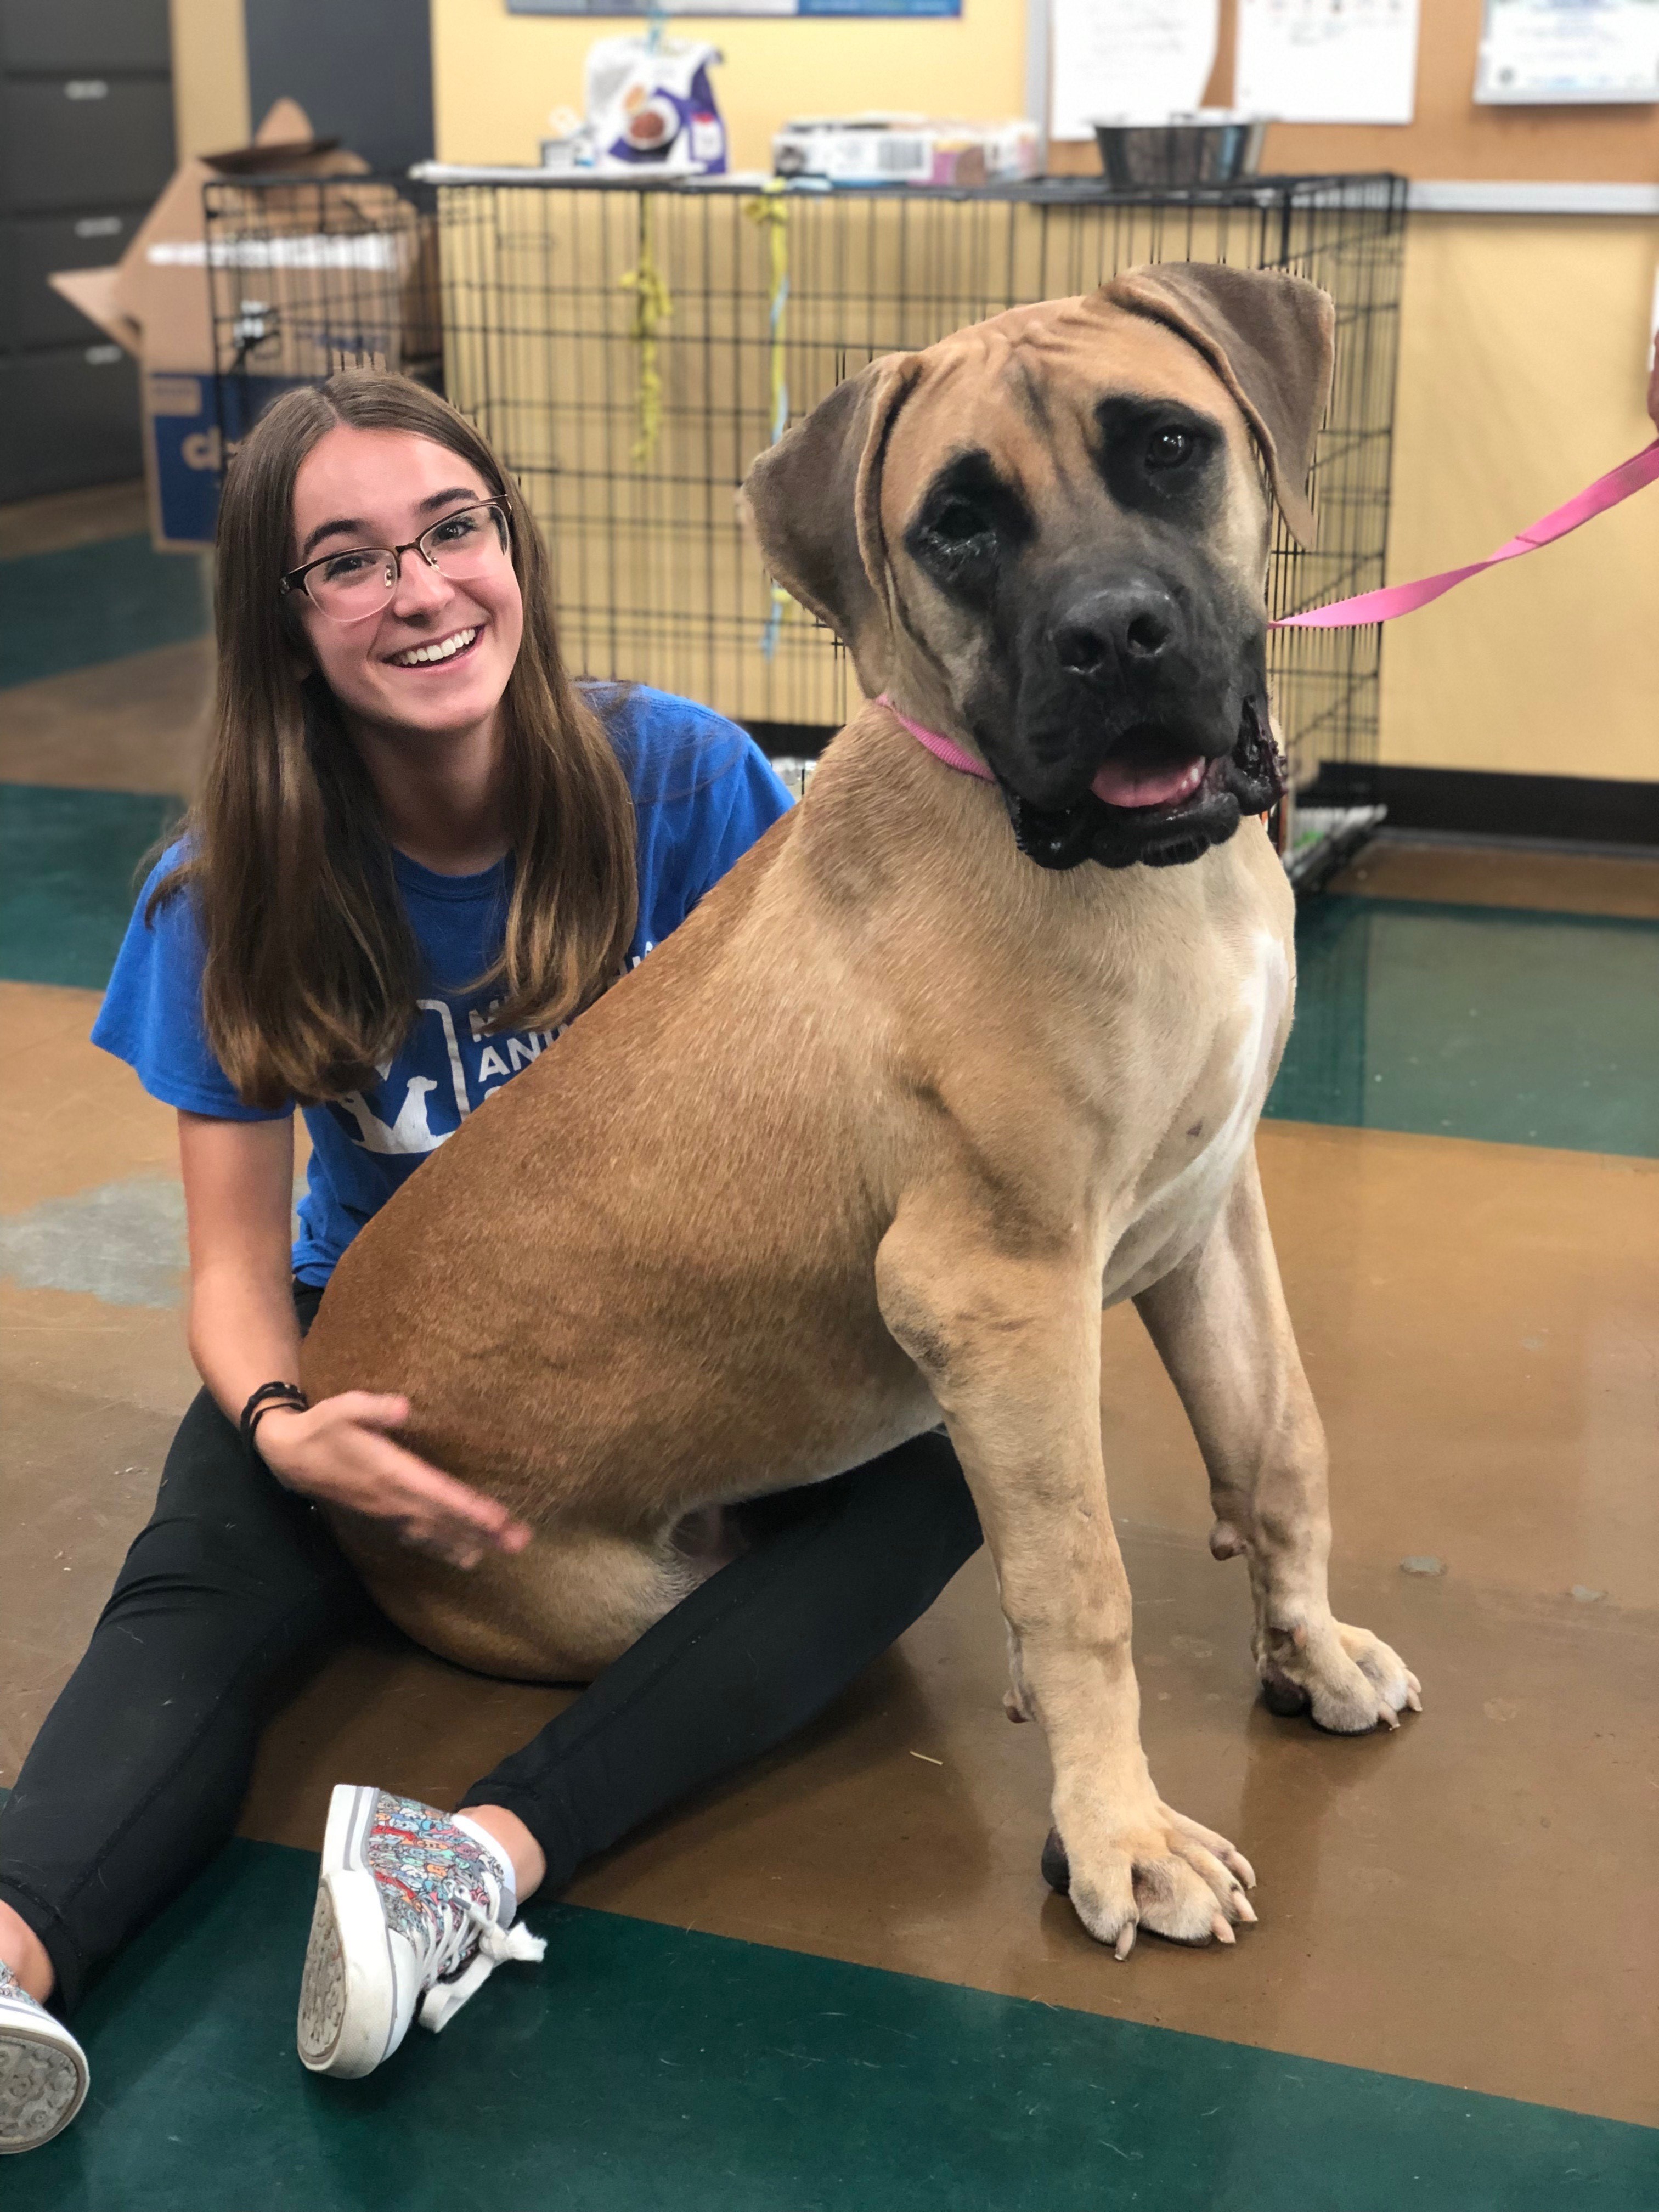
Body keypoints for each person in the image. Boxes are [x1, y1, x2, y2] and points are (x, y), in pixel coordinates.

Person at [0, 371, 980, 2154]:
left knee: (932, 1488)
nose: (423, 589)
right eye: (349, 562)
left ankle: (474, 1860)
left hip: (675, 1347)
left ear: (511, 549)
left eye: (454, 531)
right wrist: (285, 1420)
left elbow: (838, 1106)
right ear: (285, 624)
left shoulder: (675, 775)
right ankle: (8, 1956)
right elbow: (227, 1262)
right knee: (197, 1584)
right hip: (378, 1344)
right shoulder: (221, 889)